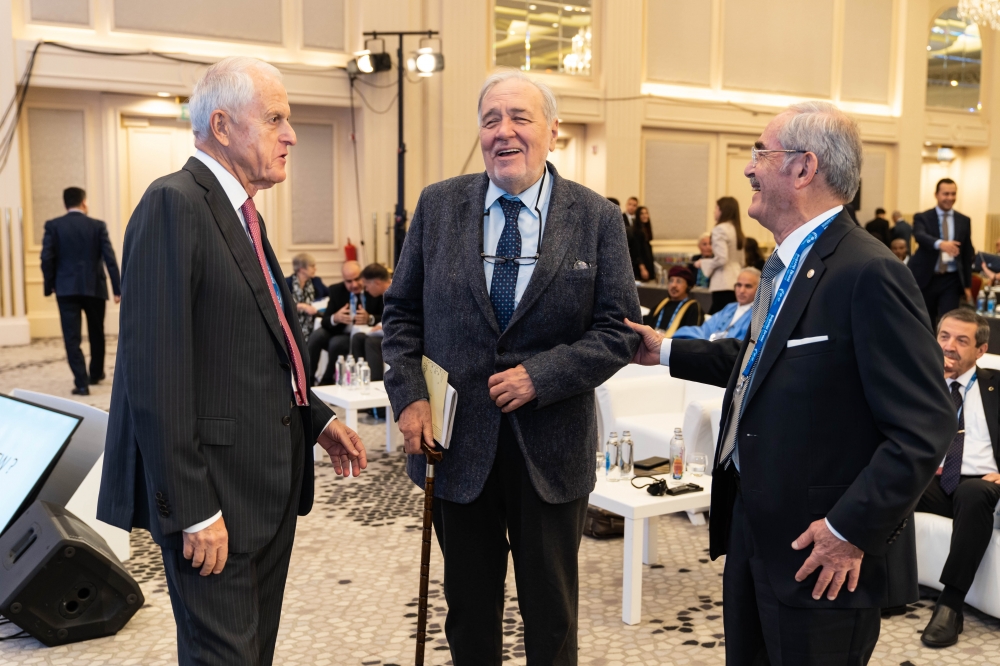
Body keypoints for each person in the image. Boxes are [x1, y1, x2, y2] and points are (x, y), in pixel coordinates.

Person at [627, 101, 954, 665]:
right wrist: (665, 351)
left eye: (761, 153)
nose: (749, 168)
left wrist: (848, 530)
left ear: (804, 168)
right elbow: (764, 360)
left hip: (821, 555)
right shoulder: (788, 263)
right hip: (755, 530)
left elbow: (925, 427)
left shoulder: (869, 271)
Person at [97, 57, 367, 666]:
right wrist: (193, 510)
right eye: (274, 119)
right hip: (215, 497)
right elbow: (154, 376)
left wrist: (316, 418)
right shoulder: (173, 204)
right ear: (221, 125)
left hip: (265, 489)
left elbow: (256, 348)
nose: (290, 135)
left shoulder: (242, 212)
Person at [381, 70, 639, 665]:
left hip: (551, 449)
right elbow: (400, 313)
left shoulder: (596, 217)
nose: (504, 132)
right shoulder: (438, 205)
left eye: (520, 118)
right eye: (491, 119)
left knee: (551, 616)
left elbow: (618, 332)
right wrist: (410, 395)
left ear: (553, 131)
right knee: (469, 611)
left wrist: (540, 376)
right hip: (454, 446)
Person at [917, 309, 1000, 648]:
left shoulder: (996, 385)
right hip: (933, 479)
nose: (949, 346)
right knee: (895, 486)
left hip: (985, 481)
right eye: (944, 337)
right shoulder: (919, 382)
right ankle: (889, 589)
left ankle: (950, 606)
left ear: (981, 350)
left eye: (962, 341)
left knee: (972, 493)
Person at [40, 186, 121, 395]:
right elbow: (110, 258)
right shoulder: (98, 225)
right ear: (84, 202)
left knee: (71, 337)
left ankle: (82, 383)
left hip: (66, 289)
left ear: (65, 203)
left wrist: (50, 284)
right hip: (94, 287)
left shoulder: (54, 226)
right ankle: (96, 373)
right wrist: (117, 288)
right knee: (97, 333)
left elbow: (46, 258)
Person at [910, 178, 974, 323]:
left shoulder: (964, 220)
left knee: (949, 320)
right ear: (936, 195)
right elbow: (919, 235)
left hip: (951, 280)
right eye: (946, 194)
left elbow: (966, 254)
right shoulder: (923, 217)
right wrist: (940, 244)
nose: (950, 198)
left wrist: (968, 286)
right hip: (927, 278)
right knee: (926, 321)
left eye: (953, 194)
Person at [307, 260, 381, 384]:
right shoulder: (336, 290)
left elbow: (384, 315)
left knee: (336, 343)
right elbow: (325, 320)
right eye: (349, 281)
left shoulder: (373, 289)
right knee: (316, 336)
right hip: (339, 329)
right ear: (344, 280)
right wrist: (335, 318)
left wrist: (370, 318)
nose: (354, 284)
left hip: (361, 334)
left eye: (357, 279)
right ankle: (307, 379)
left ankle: (327, 381)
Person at [673, 268, 759, 341]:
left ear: (759, 289)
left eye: (748, 286)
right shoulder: (730, 308)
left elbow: (739, 345)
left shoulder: (758, 316)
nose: (741, 291)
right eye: (739, 285)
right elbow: (705, 329)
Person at [695, 196, 745, 314]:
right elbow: (742, 261)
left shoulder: (720, 229)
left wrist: (702, 263)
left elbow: (722, 259)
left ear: (723, 210)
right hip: (736, 279)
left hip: (723, 282)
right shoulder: (736, 229)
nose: (714, 211)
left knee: (718, 317)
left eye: (716, 208)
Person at [349, 262, 391, 383]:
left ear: (376, 282)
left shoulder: (398, 291)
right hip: (386, 330)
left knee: (371, 341)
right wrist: (380, 325)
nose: (366, 289)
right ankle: (358, 379)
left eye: (366, 285)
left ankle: (375, 382)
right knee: (358, 337)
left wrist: (383, 327)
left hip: (398, 333)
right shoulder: (382, 293)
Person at [644, 265, 703, 337]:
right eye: (671, 281)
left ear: (688, 286)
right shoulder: (663, 303)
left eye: (679, 281)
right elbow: (647, 322)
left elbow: (692, 337)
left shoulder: (693, 307)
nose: (673, 285)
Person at [285, 252, 328, 339]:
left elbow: (330, 296)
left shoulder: (316, 281)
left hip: (314, 324)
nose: (315, 269)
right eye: (312, 266)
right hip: (291, 324)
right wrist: (302, 306)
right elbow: (281, 304)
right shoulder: (286, 283)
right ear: (302, 269)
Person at [622, 197, 655, 282]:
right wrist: (642, 268)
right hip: (638, 266)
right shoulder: (637, 230)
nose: (645, 215)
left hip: (647, 263)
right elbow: (637, 252)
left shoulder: (645, 229)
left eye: (646, 213)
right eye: (642, 214)